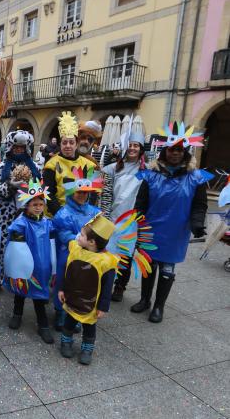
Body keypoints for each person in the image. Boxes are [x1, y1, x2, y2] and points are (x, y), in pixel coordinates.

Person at [131, 122, 210, 323]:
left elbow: (199, 205)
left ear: (185, 152)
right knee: (148, 266)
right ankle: (145, 300)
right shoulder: (150, 175)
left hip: (175, 232)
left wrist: (197, 224)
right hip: (150, 229)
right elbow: (140, 203)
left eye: (179, 150)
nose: (175, 153)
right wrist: (137, 222)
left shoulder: (197, 178)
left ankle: (159, 306)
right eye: (171, 149)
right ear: (164, 151)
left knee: (167, 269)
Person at [57, 214, 119, 365]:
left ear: (91, 242)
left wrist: (103, 307)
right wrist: (62, 289)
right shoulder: (76, 250)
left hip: (91, 303)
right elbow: (67, 272)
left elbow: (107, 287)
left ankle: (87, 349)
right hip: (72, 297)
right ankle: (66, 341)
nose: (78, 236)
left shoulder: (106, 262)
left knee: (89, 327)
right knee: (69, 321)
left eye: (82, 235)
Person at [4, 180, 56, 344]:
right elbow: (15, 245)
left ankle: (43, 324)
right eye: (34, 204)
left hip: (42, 266)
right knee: (21, 290)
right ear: (27, 205)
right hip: (25, 264)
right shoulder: (21, 223)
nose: (38, 207)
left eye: (41, 204)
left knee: (39, 294)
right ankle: (17, 314)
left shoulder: (47, 223)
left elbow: (53, 243)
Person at [52, 166, 103, 330]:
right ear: (72, 192)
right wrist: (81, 241)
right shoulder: (63, 213)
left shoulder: (95, 212)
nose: (82, 195)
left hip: (89, 256)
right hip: (68, 254)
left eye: (85, 192)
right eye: (79, 192)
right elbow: (63, 234)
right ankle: (60, 311)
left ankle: (76, 312)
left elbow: (100, 232)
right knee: (63, 279)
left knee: (82, 284)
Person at [100, 125, 146, 301]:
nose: (133, 148)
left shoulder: (146, 171)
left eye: (136, 145)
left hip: (132, 220)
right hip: (113, 217)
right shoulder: (113, 168)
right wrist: (105, 216)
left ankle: (120, 286)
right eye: (130, 145)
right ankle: (105, 284)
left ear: (141, 149)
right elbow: (106, 194)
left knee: (126, 254)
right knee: (108, 252)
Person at [0, 130, 41, 285]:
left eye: (22, 147)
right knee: (3, 247)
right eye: (16, 147)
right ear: (10, 147)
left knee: (25, 248)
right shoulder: (1, 167)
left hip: (28, 215)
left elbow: (41, 190)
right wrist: (11, 186)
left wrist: (31, 188)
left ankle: (23, 280)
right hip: (6, 215)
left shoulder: (35, 167)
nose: (18, 150)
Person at [42, 113, 97, 216]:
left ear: (76, 144)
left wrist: (84, 213)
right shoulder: (51, 165)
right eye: (64, 142)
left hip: (80, 214)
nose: (68, 146)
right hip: (57, 215)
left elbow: (92, 194)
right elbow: (49, 193)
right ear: (60, 144)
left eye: (71, 142)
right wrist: (62, 215)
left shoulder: (88, 165)